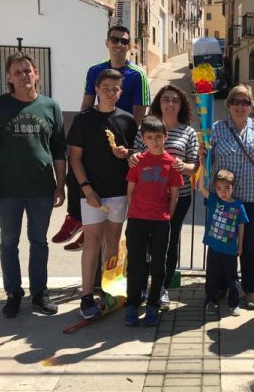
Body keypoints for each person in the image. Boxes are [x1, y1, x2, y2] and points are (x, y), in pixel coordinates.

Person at [52, 24, 151, 251]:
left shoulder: (138, 76)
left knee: (111, 211)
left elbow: (138, 116)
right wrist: (83, 131)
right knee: (75, 169)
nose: (118, 44)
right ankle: (76, 219)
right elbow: (86, 105)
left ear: (130, 46)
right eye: (114, 40)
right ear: (106, 42)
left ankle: (87, 231)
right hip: (96, 134)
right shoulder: (94, 71)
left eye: (124, 41)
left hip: (120, 139)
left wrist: (128, 145)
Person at [0, 51, 66, 318]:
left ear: (37, 74)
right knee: (8, 242)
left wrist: (60, 184)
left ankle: (39, 293)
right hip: (8, 189)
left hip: (42, 188)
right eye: (17, 72)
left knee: (39, 242)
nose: (24, 76)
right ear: (9, 77)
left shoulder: (50, 107)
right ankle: (13, 293)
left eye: (28, 70)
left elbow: (58, 150)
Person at [66, 69, 138, 319]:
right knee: (92, 243)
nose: (110, 93)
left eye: (115, 89)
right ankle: (86, 296)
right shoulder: (83, 119)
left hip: (118, 192)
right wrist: (86, 188)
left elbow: (135, 154)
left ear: (120, 92)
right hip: (91, 192)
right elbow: (74, 158)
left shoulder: (127, 120)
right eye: (106, 88)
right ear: (96, 89)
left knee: (113, 245)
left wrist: (126, 153)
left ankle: (109, 289)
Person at [131, 84, 199, 311]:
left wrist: (184, 166)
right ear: (159, 102)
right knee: (144, 247)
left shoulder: (188, 132)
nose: (170, 104)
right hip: (146, 198)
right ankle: (141, 287)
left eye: (175, 100)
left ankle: (161, 289)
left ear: (182, 105)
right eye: (166, 99)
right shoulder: (147, 126)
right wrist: (131, 159)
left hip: (178, 197)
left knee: (169, 244)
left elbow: (194, 165)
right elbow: (135, 155)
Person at [208, 84, 254, 309]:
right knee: (221, 246)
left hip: (252, 197)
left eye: (245, 102)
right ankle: (221, 287)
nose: (240, 106)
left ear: (251, 106)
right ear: (228, 105)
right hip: (224, 199)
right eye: (236, 102)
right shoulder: (217, 128)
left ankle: (250, 290)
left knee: (249, 247)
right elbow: (207, 157)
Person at [124, 115, 183, 327]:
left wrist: (166, 215)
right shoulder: (138, 161)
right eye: (150, 137)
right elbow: (130, 190)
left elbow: (174, 195)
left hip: (160, 221)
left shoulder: (172, 164)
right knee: (136, 264)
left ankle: (153, 304)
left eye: (159, 136)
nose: (155, 141)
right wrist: (134, 212)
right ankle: (132, 304)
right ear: (144, 139)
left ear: (166, 137)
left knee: (159, 265)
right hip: (137, 219)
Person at [197, 161, 249, 316]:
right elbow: (201, 187)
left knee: (231, 277)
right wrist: (202, 166)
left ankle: (234, 303)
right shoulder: (213, 200)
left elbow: (241, 226)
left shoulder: (238, 206)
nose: (223, 192)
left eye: (227, 188)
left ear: (233, 187)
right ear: (215, 188)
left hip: (230, 250)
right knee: (211, 275)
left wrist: (240, 245)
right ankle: (211, 300)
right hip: (214, 247)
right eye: (219, 188)